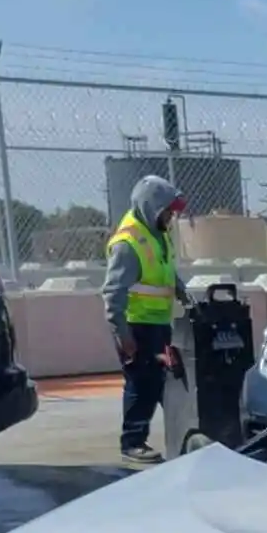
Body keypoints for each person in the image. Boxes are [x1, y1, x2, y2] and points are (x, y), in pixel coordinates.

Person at [102, 175, 189, 463]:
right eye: (168, 211)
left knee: (163, 381)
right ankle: (132, 442)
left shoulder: (157, 233)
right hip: (136, 325)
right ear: (152, 208)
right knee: (141, 384)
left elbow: (164, 270)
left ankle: (184, 432)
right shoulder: (128, 243)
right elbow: (113, 292)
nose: (171, 217)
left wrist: (182, 292)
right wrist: (122, 334)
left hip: (158, 324)